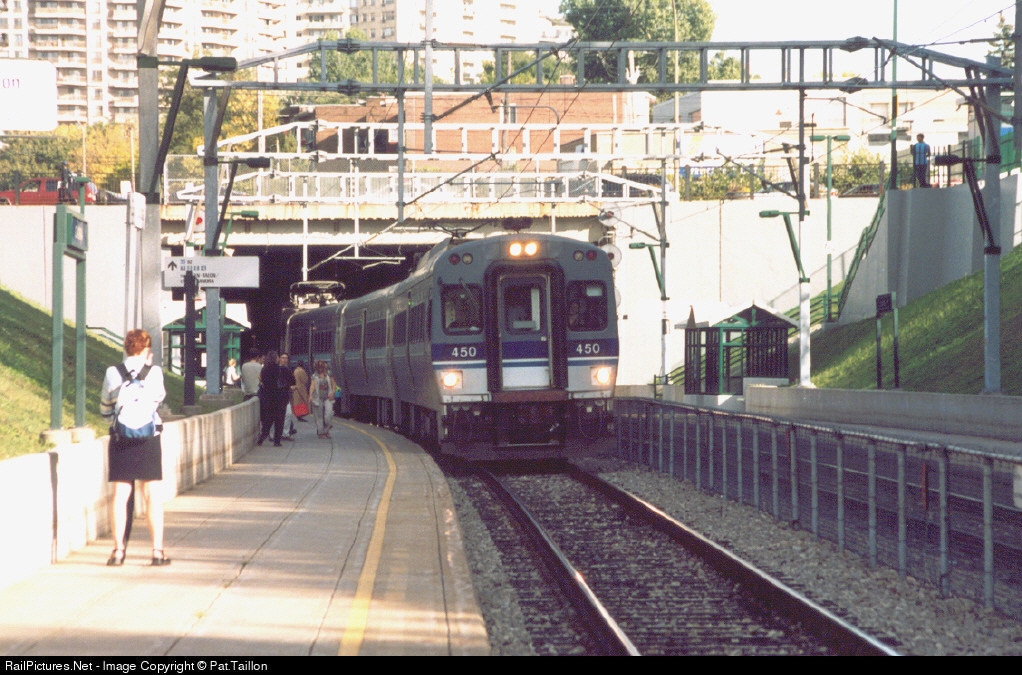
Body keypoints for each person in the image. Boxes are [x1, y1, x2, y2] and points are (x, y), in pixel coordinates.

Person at [99, 328, 170, 567]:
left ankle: (118, 551)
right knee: (152, 495)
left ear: (126, 348)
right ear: (147, 349)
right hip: (149, 438)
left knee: (120, 495)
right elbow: (158, 399)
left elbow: (105, 408)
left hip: (121, 439)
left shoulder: (112, 372)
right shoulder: (155, 372)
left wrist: (115, 419)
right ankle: (157, 552)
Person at [257, 350, 294, 447]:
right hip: (281, 398)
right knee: (279, 420)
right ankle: (277, 441)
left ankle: (262, 437)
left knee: (268, 420)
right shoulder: (282, 369)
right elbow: (292, 381)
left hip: (268, 398)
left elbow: (263, 382)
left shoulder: (264, 370)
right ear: (275, 359)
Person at [309, 360, 337, 439]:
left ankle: (326, 429)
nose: (320, 369)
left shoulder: (329, 374)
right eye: (319, 368)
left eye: (322, 367)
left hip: (328, 397)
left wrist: (333, 392)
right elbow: (312, 386)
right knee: (319, 416)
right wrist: (310, 395)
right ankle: (321, 432)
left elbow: (333, 383)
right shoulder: (314, 376)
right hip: (318, 398)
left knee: (328, 415)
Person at [291, 359, 311, 434]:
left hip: (296, 389)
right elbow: (305, 380)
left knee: (297, 402)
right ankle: (300, 415)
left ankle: (298, 415)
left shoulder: (295, 370)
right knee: (302, 401)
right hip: (301, 389)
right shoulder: (301, 371)